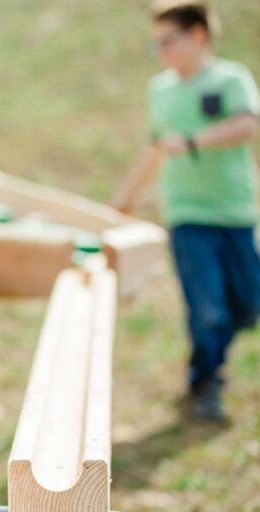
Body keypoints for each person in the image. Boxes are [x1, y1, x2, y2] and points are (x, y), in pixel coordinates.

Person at [111, 0, 260, 421]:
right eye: (154, 44)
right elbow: (154, 147)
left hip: (236, 211)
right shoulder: (159, 90)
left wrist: (193, 140)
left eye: (168, 42)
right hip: (186, 215)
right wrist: (127, 196)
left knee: (248, 305)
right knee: (208, 308)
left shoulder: (231, 79)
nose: (160, 52)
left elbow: (249, 126)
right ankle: (205, 382)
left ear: (198, 36)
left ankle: (211, 359)